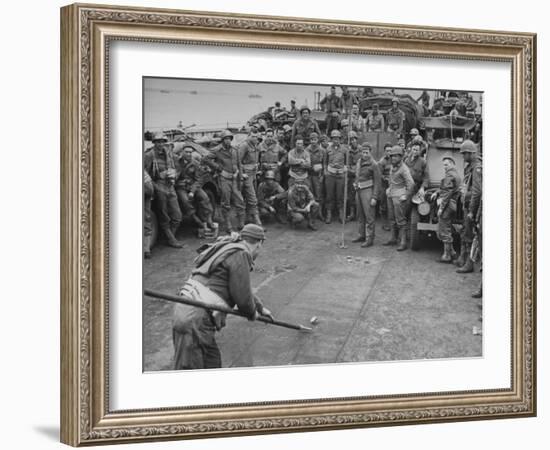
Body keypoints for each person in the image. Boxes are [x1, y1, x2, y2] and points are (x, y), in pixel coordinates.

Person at [172, 224, 274, 370]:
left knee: (212, 363)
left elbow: (240, 286)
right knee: (191, 370)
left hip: (187, 311)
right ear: (259, 243)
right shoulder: (241, 253)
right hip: (196, 317)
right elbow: (243, 299)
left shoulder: (228, 248)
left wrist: (260, 307)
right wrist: (252, 313)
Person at [143, 133, 184, 248]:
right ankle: (171, 239)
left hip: (170, 185)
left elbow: (178, 168)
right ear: (154, 143)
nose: (160, 144)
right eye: (158, 142)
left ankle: (170, 237)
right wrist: (156, 179)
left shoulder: (169, 154)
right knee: (163, 215)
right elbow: (144, 173)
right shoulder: (149, 155)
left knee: (177, 216)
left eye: (162, 142)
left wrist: (174, 175)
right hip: (158, 186)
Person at [204, 130, 246, 233]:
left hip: (234, 178)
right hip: (224, 178)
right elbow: (205, 159)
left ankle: (241, 225)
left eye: (229, 138)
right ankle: (228, 226)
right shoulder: (217, 150)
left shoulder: (235, 150)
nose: (228, 141)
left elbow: (239, 164)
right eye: (226, 139)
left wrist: (240, 175)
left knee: (240, 201)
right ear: (222, 140)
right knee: (225, 202)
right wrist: (218, 168)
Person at [456, 139, 482, 274]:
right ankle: (463, 258)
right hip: (467, 204)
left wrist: (472, 211)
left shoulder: (477, 168)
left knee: (470, 235)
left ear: (471, 153)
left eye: (464, 154)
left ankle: (469, 263)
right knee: (465, 231)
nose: (463, 156)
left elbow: (477, 192)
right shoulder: (470, 167)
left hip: (472, 207)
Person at [174, 146, 215, 231]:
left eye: (190, 152)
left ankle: (209, 220)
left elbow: (198, 179)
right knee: (185, 200)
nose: (188, 154)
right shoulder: (176, 162)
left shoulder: (195, 163)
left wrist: (192, 191)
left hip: (193, 186)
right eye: (186, 152)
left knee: (205, 197)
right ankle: (196, 219)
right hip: (181, 187)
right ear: (182, 152)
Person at [383, 145, 414, 251]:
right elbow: (391, 179)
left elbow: (411, 184)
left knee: (401, 220)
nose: (393, 158)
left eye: (396, 156)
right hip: (391, 194)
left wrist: (406, 195)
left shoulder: (404, 169)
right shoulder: (393, 166)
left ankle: (403, 241)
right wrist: (389, 188)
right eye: (392, 156)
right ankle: (393, 238)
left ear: (401, 157)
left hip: (399, 197)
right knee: (391, 219)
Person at [351, 143, 381, 247]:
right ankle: (361, 235)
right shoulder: (359, 161)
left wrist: (374, 197)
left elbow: (378, 182)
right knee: (360, 215)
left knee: (369, 216)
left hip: (368, 191)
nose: (364, 154)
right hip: (358, 190)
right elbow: (357, 175)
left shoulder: (374, 164)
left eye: (366, 152)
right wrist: (355, 183)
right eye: (363, 152)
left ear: (370, 152)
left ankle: (369, 238)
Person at [433, 157, 461, 262]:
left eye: (446, 165)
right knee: (447, 227)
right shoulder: (455, 174)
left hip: (448, 205)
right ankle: (452, 252)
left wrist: (441, 208)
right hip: (452, 204)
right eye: (443, 165)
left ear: (452, 164)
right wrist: (437, 191)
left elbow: (447, 193)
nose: (444, 167)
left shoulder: (450, 175)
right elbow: (445, 188)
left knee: (444, 229)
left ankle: (446, 255)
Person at [238, 130, 263, 226]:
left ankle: (248, 218)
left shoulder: (256, 145)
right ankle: (257, 221)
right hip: (247, 174)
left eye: (256, 136)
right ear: (248, 136)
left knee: (252, 196)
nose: (255, 138)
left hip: (254, 174)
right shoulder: (244, 146)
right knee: (252, 198)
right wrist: (241, 174)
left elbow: (257, 160)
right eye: (253, 136)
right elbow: (238, 161)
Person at [323, 129, 348, 224]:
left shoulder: (344, 149)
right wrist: (325, 171)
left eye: (337, 138)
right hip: (330, 174)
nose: (335, 140)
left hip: (340, 175)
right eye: (334, 138)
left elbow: (346, 163)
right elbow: (325, 163)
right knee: (329, 195)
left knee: (340, 195)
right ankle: (329, 214)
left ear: (340, 139)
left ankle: (341, 214)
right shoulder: (328, 149)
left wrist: (344, 172)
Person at [305, 132, 326, 221]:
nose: (313, 141)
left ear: (318, 140)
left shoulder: (322, 151)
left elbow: (324, 164)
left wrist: (322, 175)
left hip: (318, 176)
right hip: (309, 175)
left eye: (315, 139)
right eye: (311, 140)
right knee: (310, 194)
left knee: (319, 195)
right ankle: (310, 213)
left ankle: (319, 213)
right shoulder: (306, 150)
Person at [346, 131, 362, 221]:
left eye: (354, 139)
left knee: (361, 196)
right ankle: (352, 213)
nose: (353, 141)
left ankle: (360, 214)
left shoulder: (362, 150)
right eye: (351, 140)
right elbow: (347, 165)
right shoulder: (347, 151)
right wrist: (353, 171)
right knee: (351, 196)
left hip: (361, 177)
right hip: (352, 176)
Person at [377, 142, 393, 231]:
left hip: (393, 185)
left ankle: (392, 223)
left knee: (393, 205)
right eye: (387, 151)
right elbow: (379, 175)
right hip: (384, 186)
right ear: (384, 151)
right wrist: (386, 178)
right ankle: (384, 223)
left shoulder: (395, 160)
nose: (389, 152)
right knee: (384, 205)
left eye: (390, 150)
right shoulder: (382, 162)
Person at [143, 170, 154, 258]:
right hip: (147, 186)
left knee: (146, 218)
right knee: (146, 218)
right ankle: (146, 250)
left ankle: (146, 249)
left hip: (146, 187)